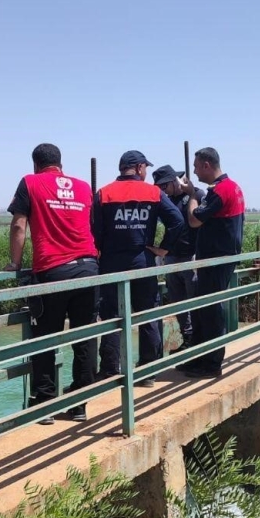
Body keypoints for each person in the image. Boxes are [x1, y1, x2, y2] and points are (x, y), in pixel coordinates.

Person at [7, 143, 98, 423]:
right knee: (84, 338)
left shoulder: (31, 183)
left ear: (36, 164)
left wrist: (15, 263)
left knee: (46, 338)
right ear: (60, 163)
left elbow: (19, 225)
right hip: (89, 269)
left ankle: (45, 404)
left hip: (53, 272)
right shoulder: (83, 187)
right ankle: (80, 404)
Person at [93, 149, 185, 385]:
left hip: (111, 263)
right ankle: (147, 371)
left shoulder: (103, 193)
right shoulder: (153, 192)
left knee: (112, 316)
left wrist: (105, 250)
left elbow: (95, 231)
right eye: (146, 169)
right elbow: (177, 220)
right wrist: (164, 248)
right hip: (142, 260)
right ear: (140, 167)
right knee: (148, 314)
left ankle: (110, 369)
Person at [177, 147, 245, 378]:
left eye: (196, 166)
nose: (194, 171)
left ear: (207, 164)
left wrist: (193, 195)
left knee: (211, 310)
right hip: (217, 257)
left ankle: (212, 363)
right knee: (201, 309)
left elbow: (195, 220)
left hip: (217, 259)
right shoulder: (231, 186)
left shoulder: (220, 190)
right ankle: (199, 358)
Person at [149, 164, 205, 352]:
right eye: (159, 188)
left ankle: (200, 341)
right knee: (178, 301)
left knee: (195, 299)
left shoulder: (196, 195)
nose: (162, 191)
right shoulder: (166, 202)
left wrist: (192, 194)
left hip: (191, 256)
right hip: (172, 257)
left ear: (174, 181)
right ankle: (188, 337)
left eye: (164, 186)